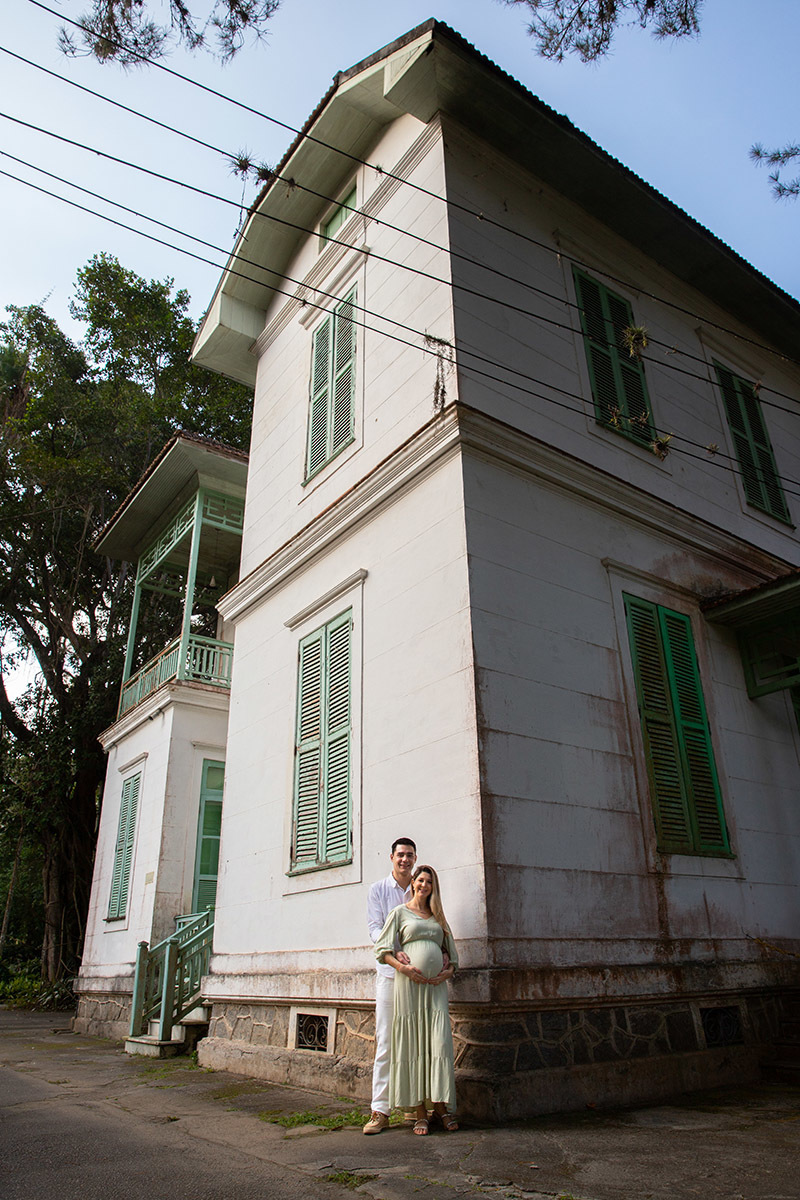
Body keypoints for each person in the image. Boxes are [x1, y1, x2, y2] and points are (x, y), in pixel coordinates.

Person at [373, 864, 459, 1135]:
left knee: (439, 1044)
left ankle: (441, 1107)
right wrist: (403, 967)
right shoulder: (399, 913)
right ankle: (420, 1111)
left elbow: (453, 957)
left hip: (434, 988)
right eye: (420, 880)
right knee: (414, 1045)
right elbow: (382, 950)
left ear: (433, 887)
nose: (424, 885)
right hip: (409, 986)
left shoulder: (439, 917)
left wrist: (446, 973)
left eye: (429, 882)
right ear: (413, 883)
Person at [362, 837, 418, 1135]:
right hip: (388, 975)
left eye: (409, 855)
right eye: (400, 855)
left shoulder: (421, 887)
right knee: (385, 1042)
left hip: (417, 977)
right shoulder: (378, 890)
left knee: (415, 1042)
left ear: (415, 858)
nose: (405, 860)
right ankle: (380, 1110)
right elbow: (374, 928)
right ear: (392, 857)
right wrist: (393, 951)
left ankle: (412, 1107)